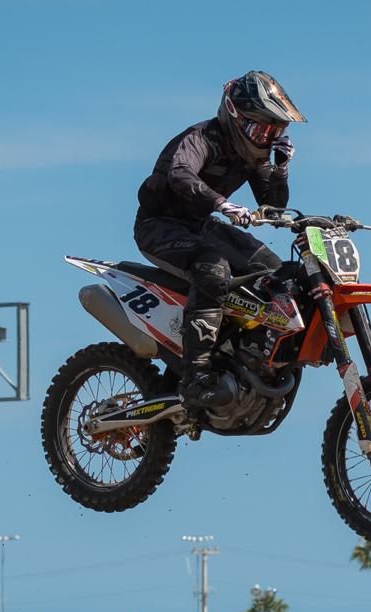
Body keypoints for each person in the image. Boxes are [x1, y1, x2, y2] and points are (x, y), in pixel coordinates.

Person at [134, 71, 304, 407]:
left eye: (274, 132)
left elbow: (272, 205)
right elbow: (180, 173)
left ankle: (247, 353)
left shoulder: (252, 155)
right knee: (214, 269)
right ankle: (195, 375)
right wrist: (222, 204)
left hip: (200, 224)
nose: (266, 139)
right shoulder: (202, 137)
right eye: (261, 128)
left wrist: (281, 169)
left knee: (276, 270)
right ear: (235, 116)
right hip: (159, 225)